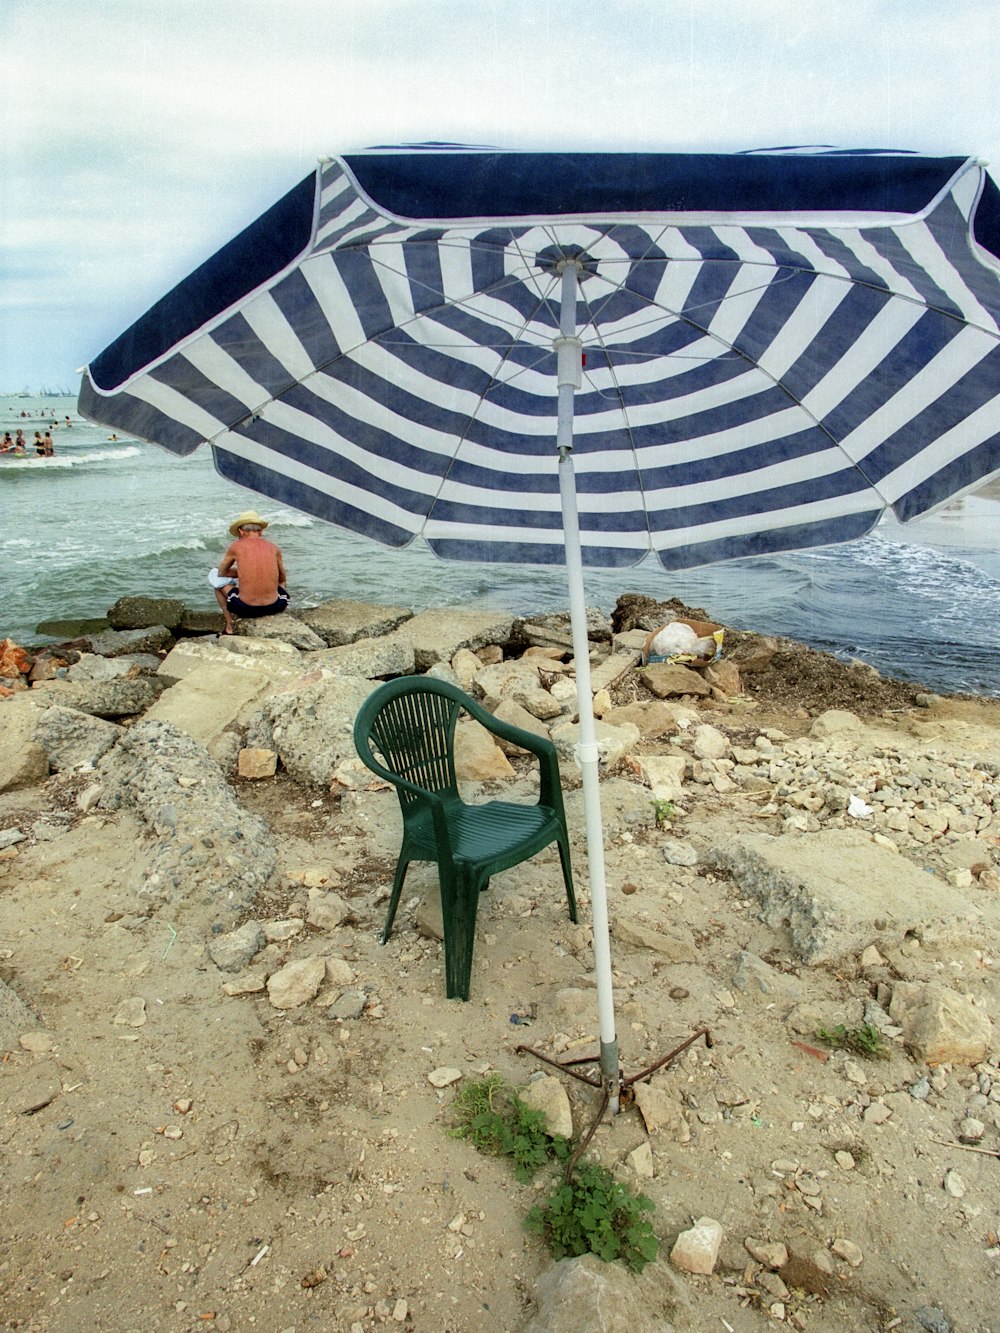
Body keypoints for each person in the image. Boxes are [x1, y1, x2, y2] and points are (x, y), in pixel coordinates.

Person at [215, 509, 288, 634]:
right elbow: (282, 579)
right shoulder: (274, 547)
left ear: (241, 531)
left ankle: (229, 625)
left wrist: (242, 572)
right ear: (261, 531)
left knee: (217, 584)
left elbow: (221, 573)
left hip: (245, 608)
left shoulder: (236, 547)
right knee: (280, 584)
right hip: (276, 606)